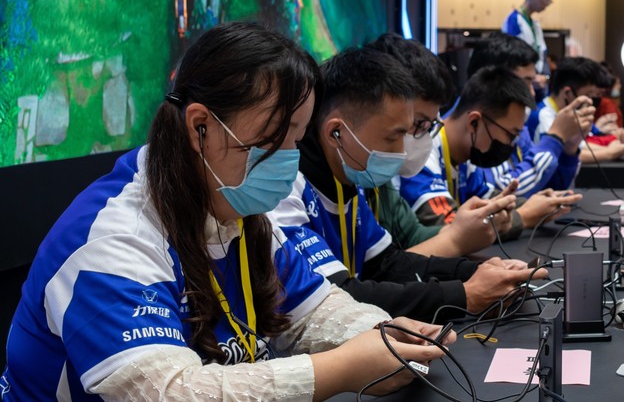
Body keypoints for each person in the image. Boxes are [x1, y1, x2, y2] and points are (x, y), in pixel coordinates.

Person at [1, 23, 451, 401]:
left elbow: (313, 310)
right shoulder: (111, 244)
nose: (290, 158)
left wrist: (385, 333)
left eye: (296, 139)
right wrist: (338, 369)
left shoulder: (239, 210)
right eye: (275, 138)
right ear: (201, 127)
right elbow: (175, 392)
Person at [268, 47, 544, 323]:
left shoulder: (348, 181)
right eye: (392, 138)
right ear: (336, 133)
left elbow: (387, 263)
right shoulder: (287, 188)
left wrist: (475, 272)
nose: (400, 151)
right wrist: (463, 295)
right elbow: (337, 295)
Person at [365, 33, 516, 257]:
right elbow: (378, 273)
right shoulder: (352, 173)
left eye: (430, 125)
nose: (423, 136)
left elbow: (411, 237)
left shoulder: (378, 177)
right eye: (419, 124)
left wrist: (464, 231)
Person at [399, 65, 583, 237]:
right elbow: (449, 228)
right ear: (474, 122)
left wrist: (537, 204)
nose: (512, 144)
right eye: (511, 135)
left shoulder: (466, 157)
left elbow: (488, 200)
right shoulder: (423, 150)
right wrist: (524, 217)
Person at [465, 31, 587, 198]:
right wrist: (555, 138)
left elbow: (547, 186)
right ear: (493, 80)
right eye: (525, 82)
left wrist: (570, 147)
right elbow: (501, 193)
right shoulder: (478, 125)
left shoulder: (517, 127)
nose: (532, 93)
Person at [531, 57, 624, 163]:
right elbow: (561, 155)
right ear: (568, 93)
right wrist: (610, 153)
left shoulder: (563, 113)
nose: (590, 101)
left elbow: (580, 147)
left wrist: (615, 148)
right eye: (588, 94)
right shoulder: (544, 116)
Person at [503, 0, 556, 98]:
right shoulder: (514, 21)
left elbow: (543, 55)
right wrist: (531, 78)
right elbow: (512, 59)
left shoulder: (536, 25)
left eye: (550, 0)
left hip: (539, 85)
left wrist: (546, 77)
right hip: (522, 87)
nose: (547, 3)